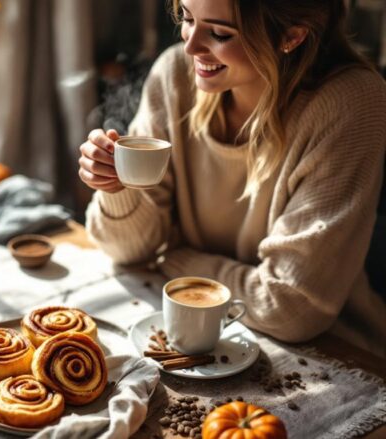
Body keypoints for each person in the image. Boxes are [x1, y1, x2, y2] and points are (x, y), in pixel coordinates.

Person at [79, 0, 386, 357]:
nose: (190, 46)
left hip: (338, 357)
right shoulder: (175, 75)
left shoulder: (352, 102)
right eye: (187, 17)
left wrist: (174, 259)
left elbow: (292, 308)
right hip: (206, 333)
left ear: (291, 36)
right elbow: (128, 252)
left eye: (220, 33)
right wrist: (116, 188)